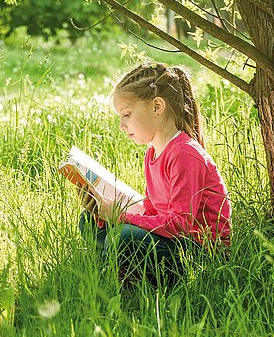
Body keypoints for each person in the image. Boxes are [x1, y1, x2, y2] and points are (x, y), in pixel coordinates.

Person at [78, 61, 231, 287]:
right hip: (173, 240)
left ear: (157, 107)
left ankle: (119, 274)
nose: (122, 125)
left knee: (124, 237)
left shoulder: (184, 154)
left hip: (198, 250)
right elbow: (153, 209)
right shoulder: (152, 154)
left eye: (127, 114)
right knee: (89, 222)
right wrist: (104, 212)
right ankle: (129, 269)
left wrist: (121, 217)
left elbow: (179, 224)